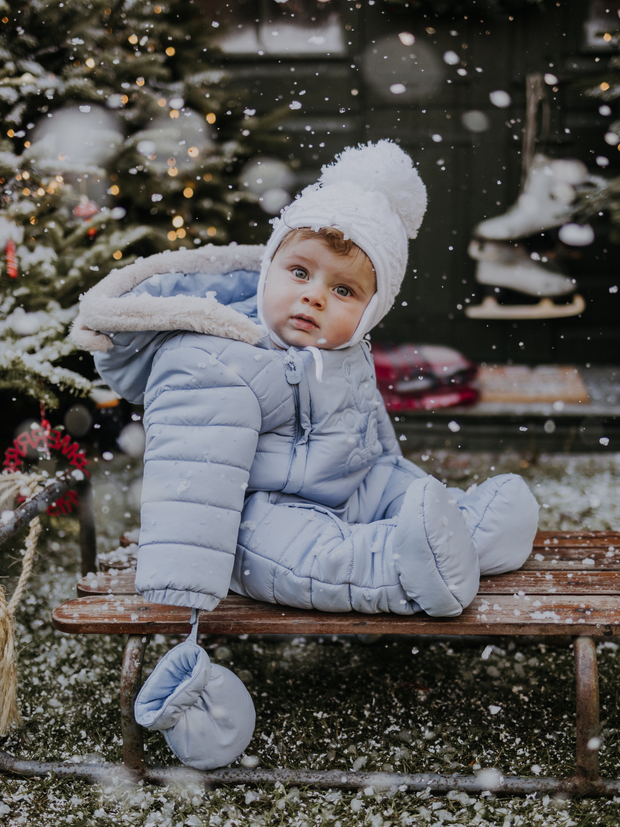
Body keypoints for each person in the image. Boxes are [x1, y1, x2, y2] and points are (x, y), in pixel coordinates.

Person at [72, 139, 539, 622]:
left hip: (346, 488)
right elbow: (192, 479)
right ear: (267, 270)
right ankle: (402, 570)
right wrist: (183, 589)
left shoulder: (344, 349)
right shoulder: (214, 359)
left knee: (399, 490)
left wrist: (393, 485)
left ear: (370, 312)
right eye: (299, 272)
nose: (314, 297)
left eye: (342, 290)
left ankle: (472, 527)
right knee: (313, 556)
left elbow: (372, 440)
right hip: (255, 519)